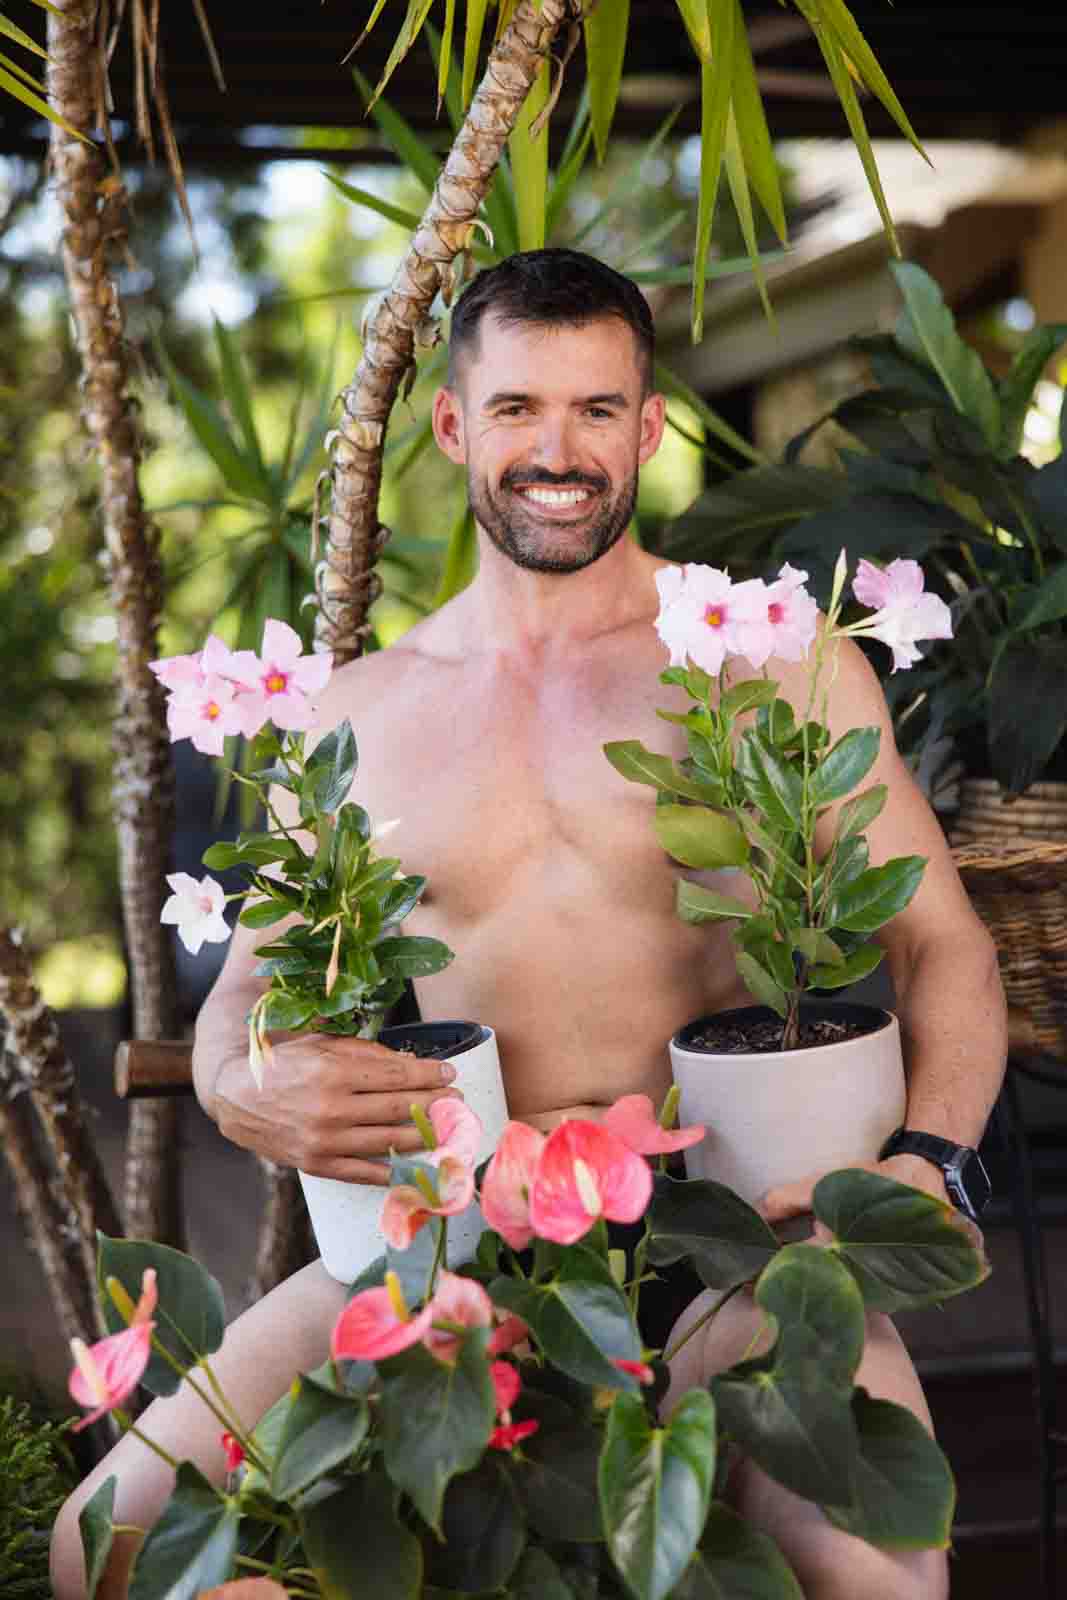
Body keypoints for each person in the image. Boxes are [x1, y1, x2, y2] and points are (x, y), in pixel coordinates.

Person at [52, 249, 1006, 1600]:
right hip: (440, 1246)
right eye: (518, 410)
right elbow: (241, 1006)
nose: (558, 452)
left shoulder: (775, 658)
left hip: (739, 1239)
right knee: (109, 1547)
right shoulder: (356, 716)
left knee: (877, 1583)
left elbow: (943, 948)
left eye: (597, 411)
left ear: (647, 426)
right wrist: (243, 1086)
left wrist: (928, 1168)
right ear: (454, 424)